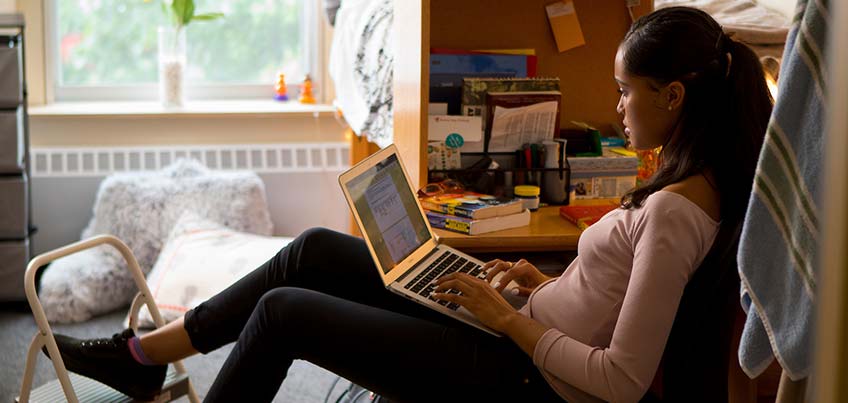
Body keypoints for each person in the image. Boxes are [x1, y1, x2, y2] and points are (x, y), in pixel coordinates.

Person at [46, 7, 772, 403]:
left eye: (624, 91)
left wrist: (511, 322)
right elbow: (611, 298)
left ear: (672, 96)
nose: (616, 107)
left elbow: (620, 380)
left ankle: (143, 357)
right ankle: (145, 354)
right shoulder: (686, 187)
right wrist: (540, 285)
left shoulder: (677, 213)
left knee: (284, 311)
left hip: (524, 374)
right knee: (312, 250)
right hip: (520, 327)